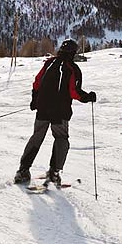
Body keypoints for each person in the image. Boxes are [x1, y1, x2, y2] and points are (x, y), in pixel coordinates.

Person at [15, 40, 96, 185]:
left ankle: (23, 170)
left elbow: (37, 82)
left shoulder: (50, 62)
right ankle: (54, 172)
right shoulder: (73, 68)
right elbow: (74, 92)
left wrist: (35, 99)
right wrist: (87, 97)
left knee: (37, 137)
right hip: (60, 111)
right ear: (73, 52)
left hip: (43, 108)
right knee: (61, 139)